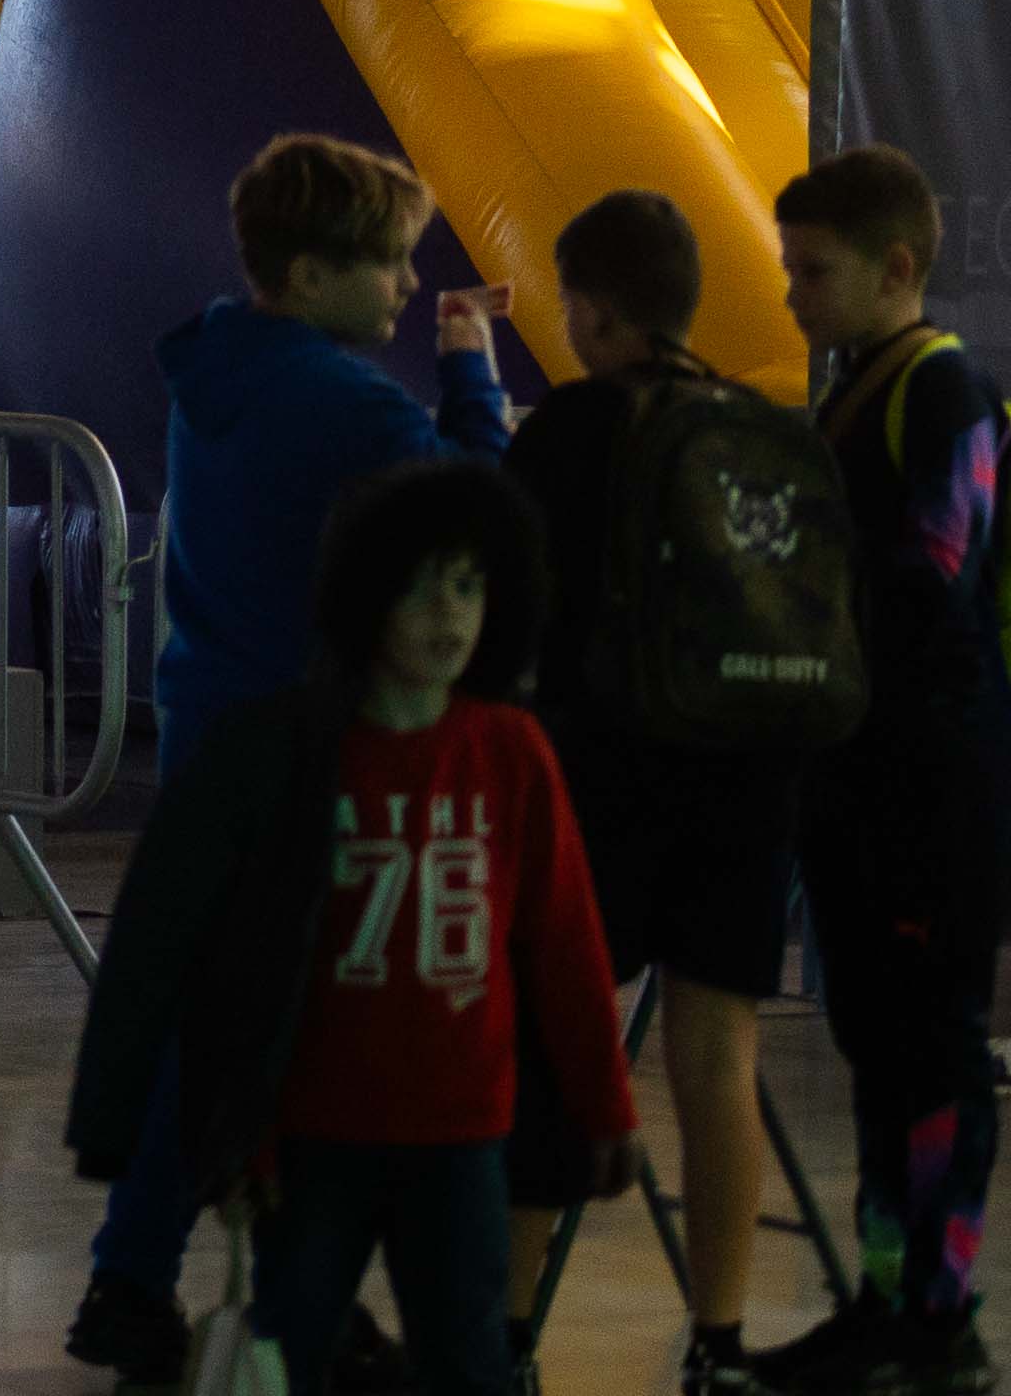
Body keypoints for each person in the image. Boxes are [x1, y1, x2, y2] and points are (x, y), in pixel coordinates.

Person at [70, 131, 519, 1384]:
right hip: (306, 756)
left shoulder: (213, 365)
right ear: (315, 273)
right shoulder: (351, 404)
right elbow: (468, 503)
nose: (405, 291)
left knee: (204, 1023)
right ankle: (285, 1293)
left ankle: (132, 1271)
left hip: (208, 730)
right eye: (388, 267)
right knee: (297, 1035)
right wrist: (472, 374)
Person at [67, 460, 635, 1396]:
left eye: (466, 585)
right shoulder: (286, 754)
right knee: (295, 1351)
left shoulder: (510, 754)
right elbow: (205, 958)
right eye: (416, 590)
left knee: (468, 1359)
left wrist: (605, 1105)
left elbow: (566, 946)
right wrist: (225, 1136)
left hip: (462, 1138)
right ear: (363, 600)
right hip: (314, 1141)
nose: (447, 615)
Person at [487, 190, 834, 1396]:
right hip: (748, 785)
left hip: (603, 780)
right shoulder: (765, 427)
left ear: (589, 310)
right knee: (718, 1056)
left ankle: (509, 1337)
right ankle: (721, 1339)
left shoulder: (568, 432)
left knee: (546, 1056)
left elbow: (509, 604)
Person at [771, 144, 1009, 1390]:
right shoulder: (850, 389)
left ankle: (942, 1317)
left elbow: (936, 567)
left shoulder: (945, 387)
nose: (794, 296)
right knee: (874, 1049)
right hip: (857, 781)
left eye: (815, 272)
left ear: (897, 268)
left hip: (934, 786)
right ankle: (882, 1297)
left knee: (936, 1054)